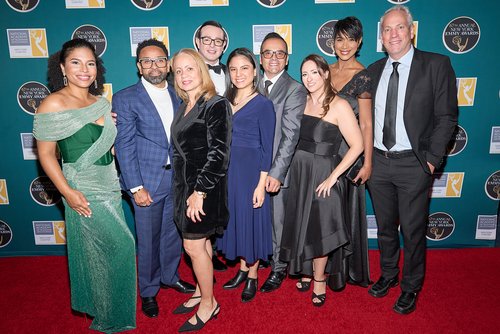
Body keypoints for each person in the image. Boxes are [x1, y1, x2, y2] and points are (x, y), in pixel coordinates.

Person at [33, 38, 136, 333]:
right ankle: (109, 317)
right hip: (81, 187)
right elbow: (45, 154)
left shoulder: (101, 101)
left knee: (103, 251)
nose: (84, 69)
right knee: (121, 246)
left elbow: (109, 145)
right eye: (76, 62)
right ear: (63, 67)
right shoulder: (53, 102)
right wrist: (67, 192)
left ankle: (108, 314)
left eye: (90, 63)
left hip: (109, 183)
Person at [366, 5, 458, 314]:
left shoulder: (436, 64)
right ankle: (389, 275)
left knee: (413, 230)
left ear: (411, 31)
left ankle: (411, 286)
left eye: (399, 28)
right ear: (381, 36)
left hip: (414, 164)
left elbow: (447, 117)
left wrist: (431, 161)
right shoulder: (374, 70)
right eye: (387, 30)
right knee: (385, 228)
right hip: (378, 162)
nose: (393, 34)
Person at [113, 38, 195, 319]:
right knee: (147, 240)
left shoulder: (180, 93)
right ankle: (148, 291)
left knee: (173, 234)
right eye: (147, 61)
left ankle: (170, 276)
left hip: (178, 181)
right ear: (139, 66)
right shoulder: (125, 98)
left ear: (168, 63)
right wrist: (135, 187)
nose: (154, 66)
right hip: (146, 182)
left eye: (160, 60)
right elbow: (124, 145)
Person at [280, 54, 363, 306]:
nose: (309, 78)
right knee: (303, 224)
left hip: (324, 173)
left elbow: (357, 145)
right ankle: (305, 269)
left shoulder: (339, 105)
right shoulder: (301, 101)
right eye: (304, 74)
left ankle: (319, 279)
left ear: (325, 74)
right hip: (299, 172)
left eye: (314, 72)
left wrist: (333, 177)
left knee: (321, 228)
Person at [170, 49, 231, 332]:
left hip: (203, 188)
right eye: (178, 71)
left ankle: (210, 304)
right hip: (184, 187)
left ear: (201, 71)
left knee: (192, 246)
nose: (183, 75)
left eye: (189, 69)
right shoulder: (185, 104)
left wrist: (200, 191)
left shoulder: (215, 104)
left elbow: (219, 154)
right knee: (202, 244)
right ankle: (200, 290)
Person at [217, 48, 276, 302]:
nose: (238, 74)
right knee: (237, 221)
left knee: (251, 222)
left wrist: (261, 184)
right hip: (228, 173)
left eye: (244, 68)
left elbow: (267, 146)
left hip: (252, 173)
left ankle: (253, 275)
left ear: (255, 71)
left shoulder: (263, 104)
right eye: (233, 69)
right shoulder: (224, 101)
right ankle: (242, 268)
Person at [258, 32, 307, 293]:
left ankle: (278, 267)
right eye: (268, 53)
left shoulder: (295, 89)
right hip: (252, 169)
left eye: (279, 53)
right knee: (258, 219)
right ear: (260, 58)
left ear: (287, 59)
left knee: (278, 223)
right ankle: (260, 260)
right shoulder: (249, 82)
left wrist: (276, 173)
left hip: (278, 170)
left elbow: (290, 136)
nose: (273, 58)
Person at [326, 16, 372, 290]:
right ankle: (321, 266)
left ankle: (342, 271)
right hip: (324, 152)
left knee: (344, 213)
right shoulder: (326, 70)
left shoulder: (362, 74)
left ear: (360, 42)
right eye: (340, 39)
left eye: (351, 39)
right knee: (324, 213)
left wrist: (367, 162)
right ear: (332, 42)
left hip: (349, 154)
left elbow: (366, 123)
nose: (345, 45)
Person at [195, 20, 230, 271]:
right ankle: (203, 252)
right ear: (197, 42)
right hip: (197, 154)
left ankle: (219, 249)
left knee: (222, 202)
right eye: (207, 39)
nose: (212, 45)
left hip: (228, 150)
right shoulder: (184, 73)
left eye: (217, 41)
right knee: (199, 205)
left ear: (224, 45)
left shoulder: (232, 72)